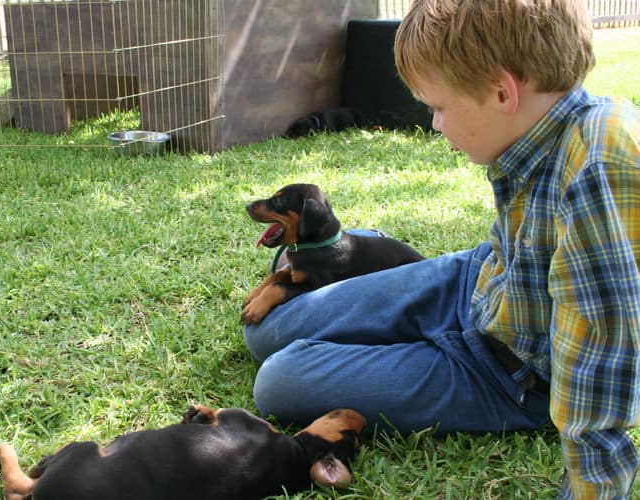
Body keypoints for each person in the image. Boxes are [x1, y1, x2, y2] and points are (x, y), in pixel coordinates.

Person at [243, 0, 640, 497]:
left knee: (278, 380)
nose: (434, 123)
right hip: (474, 282)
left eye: (438, 107)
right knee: (263, 333)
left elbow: (600, 355)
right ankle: (384, 281)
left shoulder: (599, 169)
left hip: (504, 373)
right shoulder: (536, 130)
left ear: (502, 91)